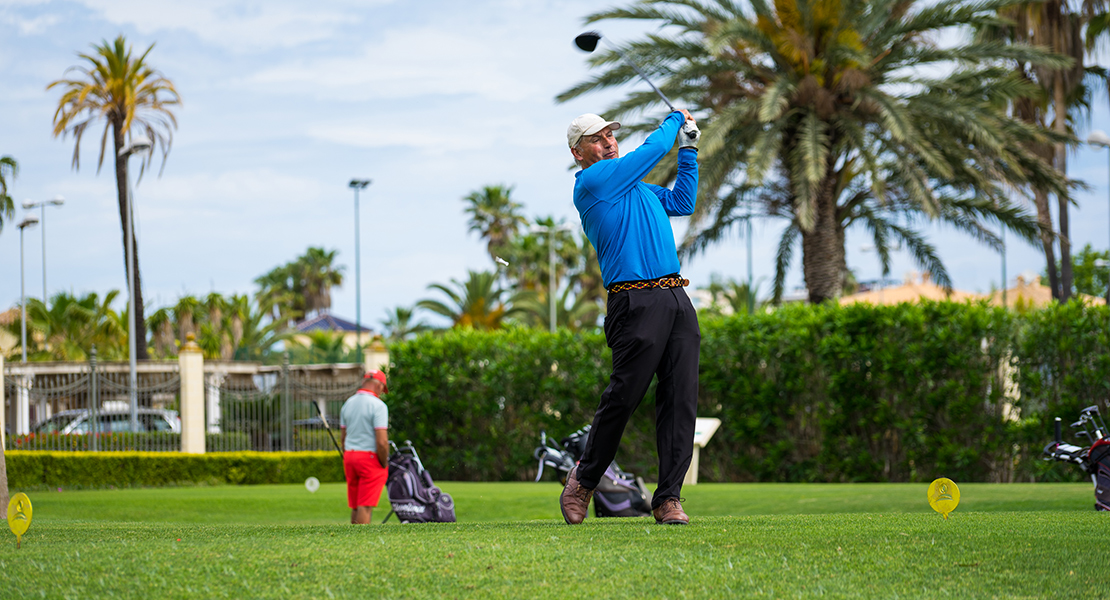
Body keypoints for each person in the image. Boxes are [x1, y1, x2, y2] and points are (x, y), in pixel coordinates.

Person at [560, 109, 701, 525]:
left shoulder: (638, 189)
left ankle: (668, 499)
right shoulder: (593, 183)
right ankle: (584, 480)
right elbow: (656, 147)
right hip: (633, 302)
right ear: (577, 153)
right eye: (596, 138)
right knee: (624, 396)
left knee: (681, 401)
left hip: (676, 297)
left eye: (610, 135)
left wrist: (689, 150)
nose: (608, 142)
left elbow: (682, 201)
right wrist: (676, 119)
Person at [340, 370, 390, 524]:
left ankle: (353, 541)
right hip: (369, 458)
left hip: (350, 456)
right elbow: (381, 442)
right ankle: (362, 543)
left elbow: (343, 437)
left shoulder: (348, 403)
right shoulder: (378, 406)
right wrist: (384, 463)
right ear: (379, 385)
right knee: (365, 506)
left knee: (355, 506)